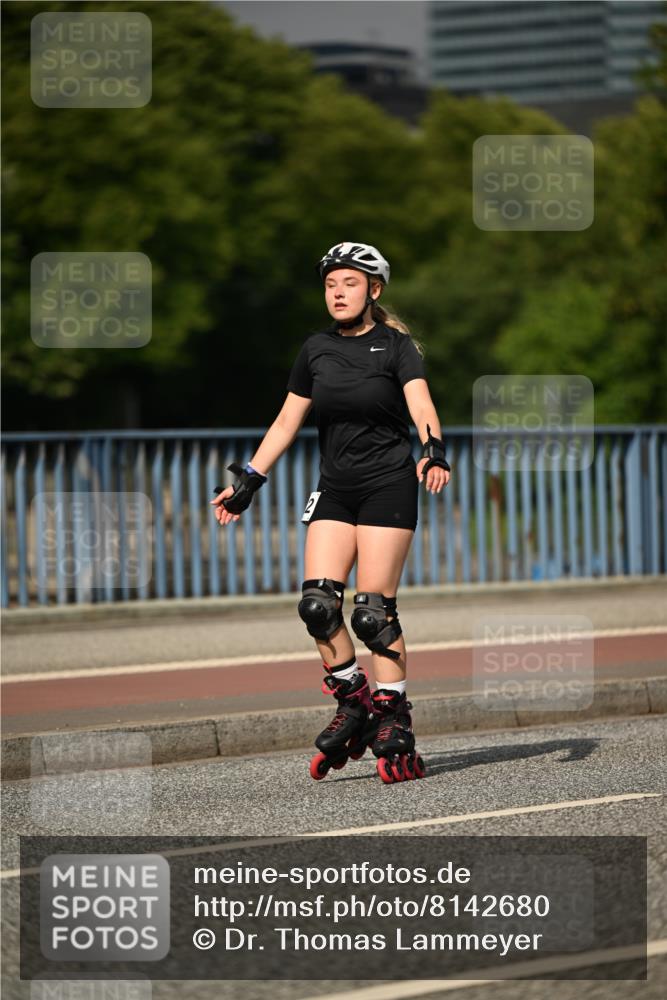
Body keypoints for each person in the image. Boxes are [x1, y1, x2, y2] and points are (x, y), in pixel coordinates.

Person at [211, 242, 451, 783]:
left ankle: (393, 712)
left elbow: (421, 404)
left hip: (389, 485)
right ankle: (353, 698)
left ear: (374, 290)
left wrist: (434, 450)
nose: (338, 292)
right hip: (336, 490)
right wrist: (248, 481)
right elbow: (286, 422)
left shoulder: (396, 346)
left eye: (349, 283)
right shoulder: (315, 349)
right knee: (317, 606)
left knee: (373, 613)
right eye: (330, 284)